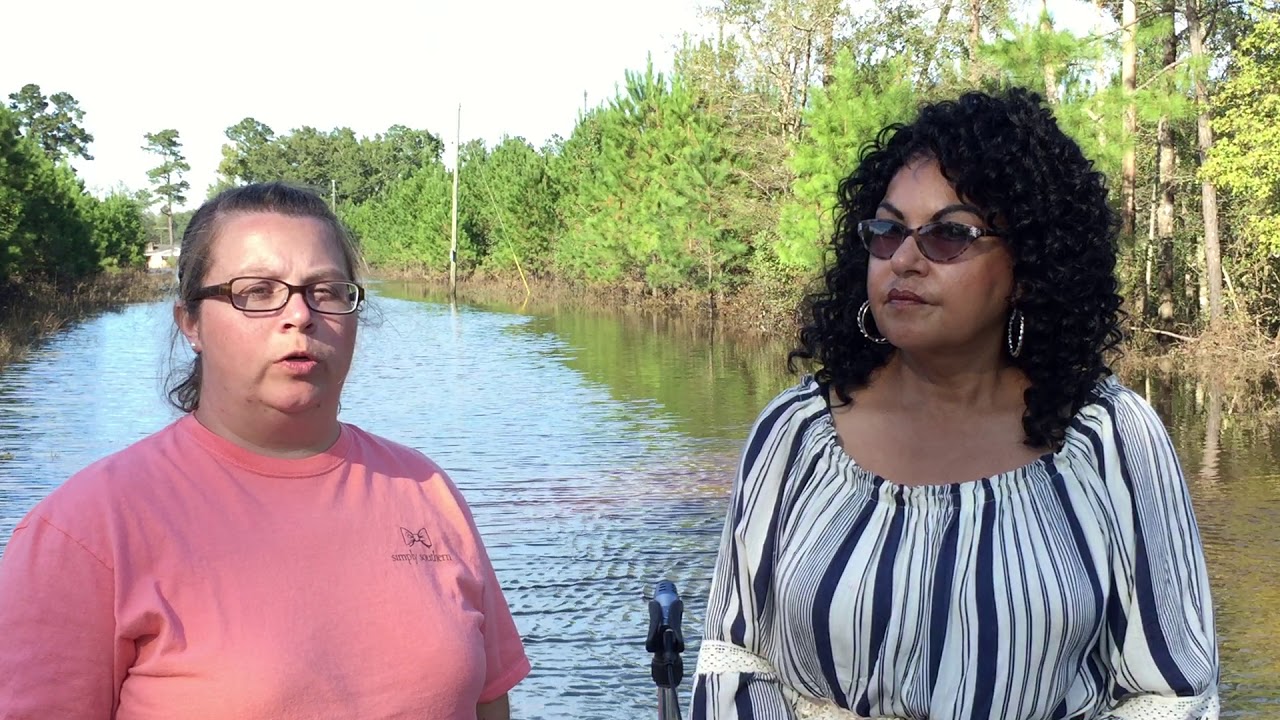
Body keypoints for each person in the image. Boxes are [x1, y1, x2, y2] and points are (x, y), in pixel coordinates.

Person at [689, 89, 1218, 720]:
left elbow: (1172, 692)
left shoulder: (1112, 440)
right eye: (887, 231)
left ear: (1027, 267)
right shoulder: (794, 434)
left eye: (950, 235)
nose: (905, 259)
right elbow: (735, 658)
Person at [0, 182, 530, 719]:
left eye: (325, 291)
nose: (299, 315)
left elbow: (491, 705)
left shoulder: (425, 491)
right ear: (191, 322)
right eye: (255, 291)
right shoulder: (85, 532)